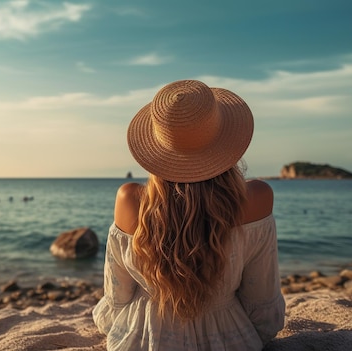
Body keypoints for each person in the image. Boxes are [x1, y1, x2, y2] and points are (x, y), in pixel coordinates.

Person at [93, 80, 285, 350]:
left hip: (142, 340)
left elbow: (118, 299)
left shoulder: (130, 200)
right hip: (231, 340)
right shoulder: (257, 198)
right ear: (227, 141)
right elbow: (262, 303)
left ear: (157, 147)